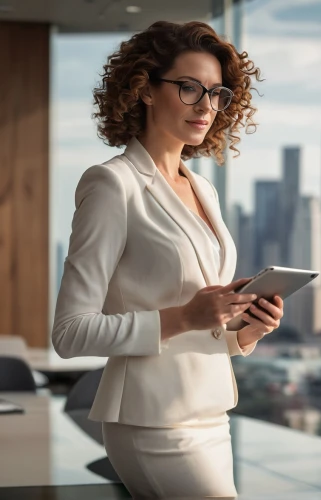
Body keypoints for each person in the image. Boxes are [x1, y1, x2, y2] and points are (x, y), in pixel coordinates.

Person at [52, 20, 284, 498]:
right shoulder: (111, 185)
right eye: (188, 88)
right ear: (145, 90)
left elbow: (205, 323)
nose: (206, 106)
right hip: (150, 421)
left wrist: (247, 330)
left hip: (212, 416)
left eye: (217, 92)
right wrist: (184, 317)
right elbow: (70, 332)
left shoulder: (203, 189)